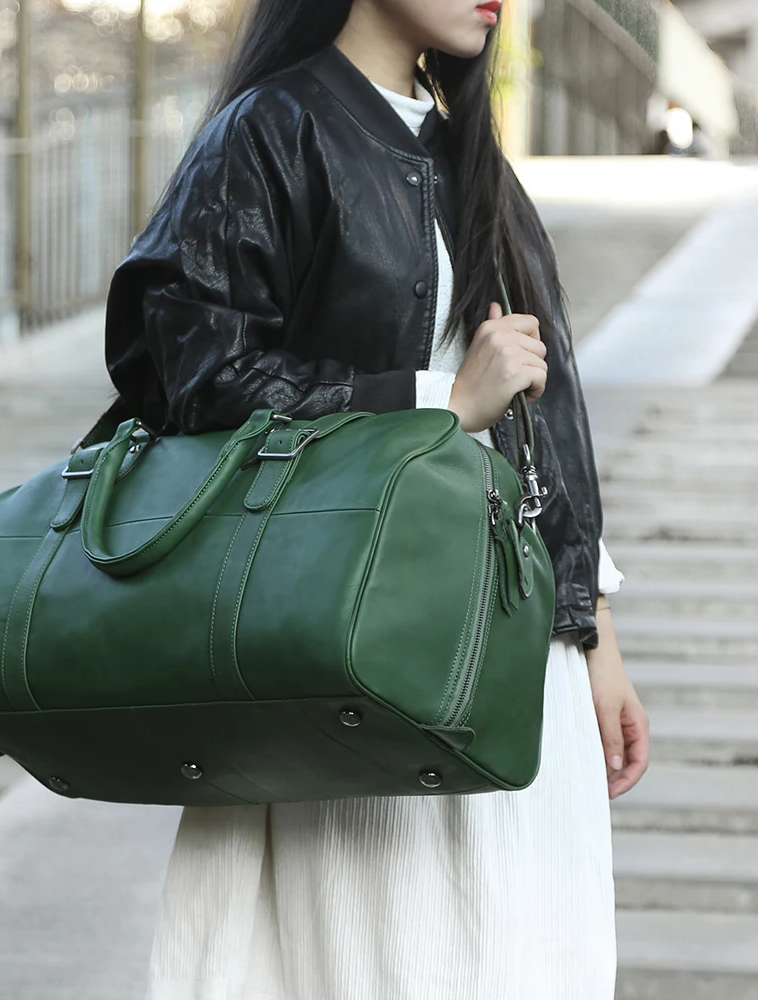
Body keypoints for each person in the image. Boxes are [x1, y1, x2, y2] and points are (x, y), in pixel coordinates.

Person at [101, 2, 651, 997]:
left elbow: (547, 415)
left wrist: (594, 628)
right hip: (352, 646)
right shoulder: (272, 131)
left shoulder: (467, 156)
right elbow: (191, 372)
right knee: (384, 957)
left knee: (529, 957)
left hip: (513, 648)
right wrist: (437, 401)